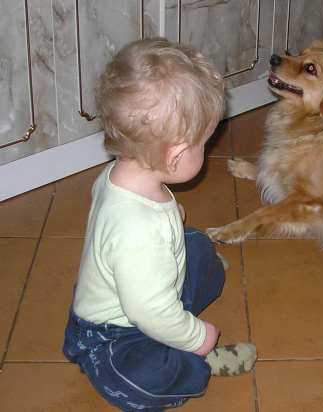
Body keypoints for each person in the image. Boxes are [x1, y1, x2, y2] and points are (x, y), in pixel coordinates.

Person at [62, 37, 257, 411]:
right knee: (145, 380)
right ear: (176, 155)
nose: (206, 149)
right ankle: (199, 364)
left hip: (141, 285)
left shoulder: (117, 175)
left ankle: (197, 285)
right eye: (204, 143)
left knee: (195, 244)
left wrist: (170, 218)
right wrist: (199, 337)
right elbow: (149, 313)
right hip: (117, 331)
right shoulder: (139, 236)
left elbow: (129, 222)